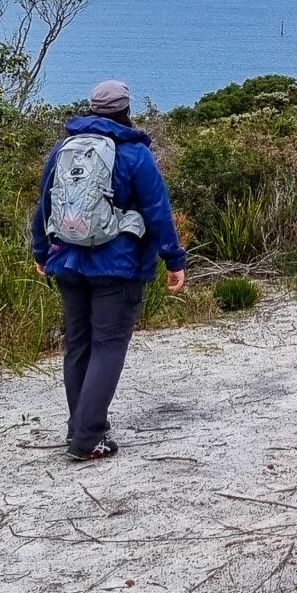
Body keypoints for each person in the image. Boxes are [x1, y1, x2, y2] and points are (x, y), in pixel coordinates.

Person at [29, 78, 187, 460]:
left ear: (92, 109)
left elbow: (45, 202)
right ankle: (88, 437)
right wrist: (174, 259)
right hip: (118, 265)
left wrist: (40, 249)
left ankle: (79, 426)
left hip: (66, 259)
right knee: (108, 345)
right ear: (125, 110)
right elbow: (156, 210)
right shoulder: (135, 154)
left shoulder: (64, 147)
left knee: (78, 345)